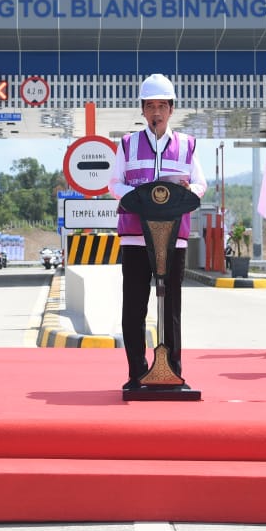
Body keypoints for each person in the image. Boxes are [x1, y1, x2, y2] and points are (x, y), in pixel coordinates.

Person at [109, 74, 207, 391]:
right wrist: (141, 193)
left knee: (171, 307)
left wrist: (188, 188)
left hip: (173, 237)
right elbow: (114, 184)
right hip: (137, 237)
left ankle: (172, 370)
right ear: (142, 110)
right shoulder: (126, 144)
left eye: (161, 106)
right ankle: (136, 371)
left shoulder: (188, 146)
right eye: (150, 106)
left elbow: (200, 185)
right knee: (134, 306)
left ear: (171, 109)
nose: (156, 112)